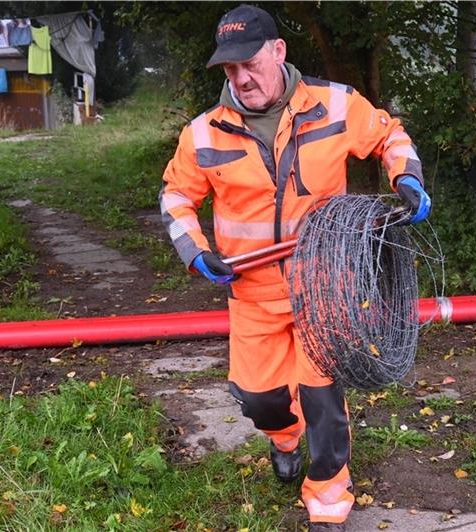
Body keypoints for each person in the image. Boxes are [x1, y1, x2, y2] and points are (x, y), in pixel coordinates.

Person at [159, 5, 431, 530]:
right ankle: (283, 438)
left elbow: (387, 136)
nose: (242, 78)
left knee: (323, 397)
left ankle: (328, 497)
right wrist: (195, 251)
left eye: (250, 64)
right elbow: (175, 198)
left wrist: (407, 176)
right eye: (230, 70)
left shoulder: (334, 104)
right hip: (252, 292)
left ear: (278, 52)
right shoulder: (203, 134)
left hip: (322, 288)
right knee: (260, 399)